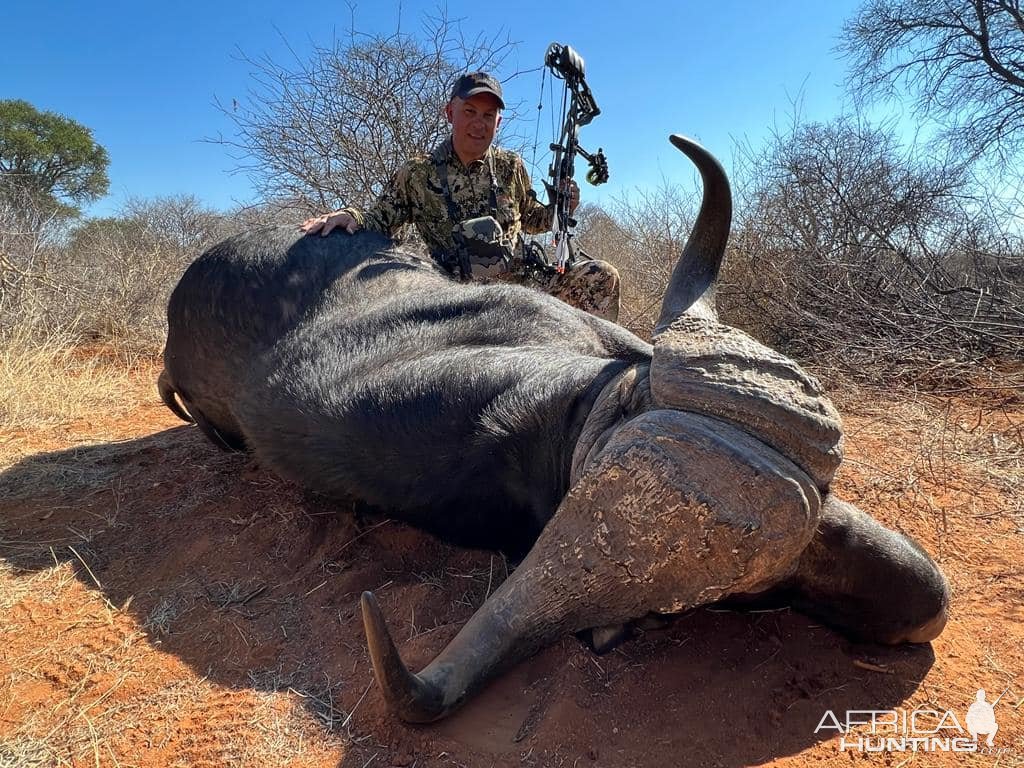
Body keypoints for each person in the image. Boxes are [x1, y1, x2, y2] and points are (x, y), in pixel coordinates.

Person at [301, 71, 620, 322]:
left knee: (602, 275)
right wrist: (351, 216)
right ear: (450, 112)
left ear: (498, 122)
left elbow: (533, 219)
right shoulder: (417, 173)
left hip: (525, 287)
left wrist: (561, 208)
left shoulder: (510, 166)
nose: (478, 124)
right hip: (456, 299)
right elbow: (378, 220)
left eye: (488, 115)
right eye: (470, 111)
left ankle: (598, 380)